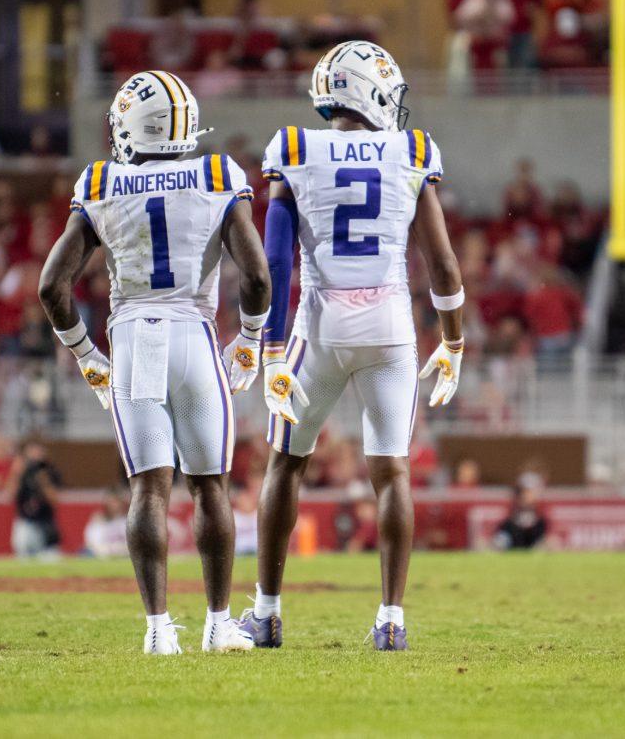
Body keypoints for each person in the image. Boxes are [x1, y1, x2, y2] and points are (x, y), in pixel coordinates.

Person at [38, 69, 271, 655]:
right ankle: (219, 625)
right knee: (211, 488)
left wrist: (86, 354)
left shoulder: (100, 181)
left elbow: (51, 288)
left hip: (135, 335)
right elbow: (258, 276)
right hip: (194, 333)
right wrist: (248, 339)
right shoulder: (217, 174)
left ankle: (158, 631)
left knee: (149, 490)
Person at [245, 41, 464, 652]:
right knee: (392, 475)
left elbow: (278, 261)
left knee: (287, 463)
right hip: (391, 328)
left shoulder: (293, 148)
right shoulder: (413, 151)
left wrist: (272, 347)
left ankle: (266, 614)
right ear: (374, 93)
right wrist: (454, 339)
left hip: (320, 327)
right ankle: (391, 621)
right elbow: (442, 264)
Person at [6, 441, 63, 558]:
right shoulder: (22, 473)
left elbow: (55, 500)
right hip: (25, 521)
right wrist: (16, 472)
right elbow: (10, 495)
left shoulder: (49, 471)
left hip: (45, 522)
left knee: (50, 557)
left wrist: (43, 480)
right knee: (23, 556)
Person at [493, 485, 547, 550]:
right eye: (522, 496)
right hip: (512, 546)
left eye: (527, 495)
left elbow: (541, 535)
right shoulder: (509, 520)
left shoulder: (539, 519)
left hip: (533, 545)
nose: (525, 498)